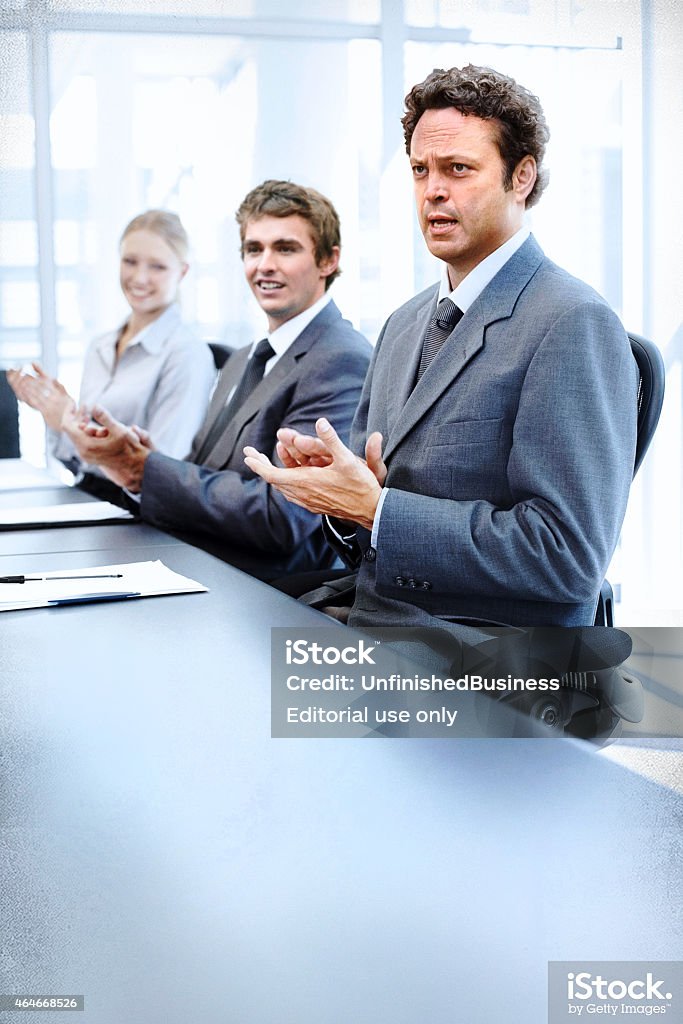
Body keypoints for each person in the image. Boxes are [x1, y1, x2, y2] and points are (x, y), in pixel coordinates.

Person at [244, 65, 638, 630]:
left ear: (521, 177)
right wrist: (339, 493)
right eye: (420, 170)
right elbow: (375, 525)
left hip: (477, 651)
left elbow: (566, 559)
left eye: (458, 169)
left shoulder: (573, 322)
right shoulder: (404, 325)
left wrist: (377, 511)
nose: (433, 190)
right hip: (377, 619)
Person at [61, 180, 371, 581]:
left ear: (328, 261)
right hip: (196, 562)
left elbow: (283, 518)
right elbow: (203, 470)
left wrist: (147, 471)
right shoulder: (245, 357)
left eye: (286, 248)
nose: (265, 264)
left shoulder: (339, 358)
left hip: (262, 591)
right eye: (253, 249)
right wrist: (139, 461)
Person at [8, 210, 215, 493]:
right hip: (91, 499)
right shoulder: (100, 347)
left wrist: (72, 427)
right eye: (130, 262)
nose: (140, 278)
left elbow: (164, 473)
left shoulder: (187, 355)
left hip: (142, 519)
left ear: (182, 272)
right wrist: (58, 417)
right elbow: (77, 466)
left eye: (157, 266)